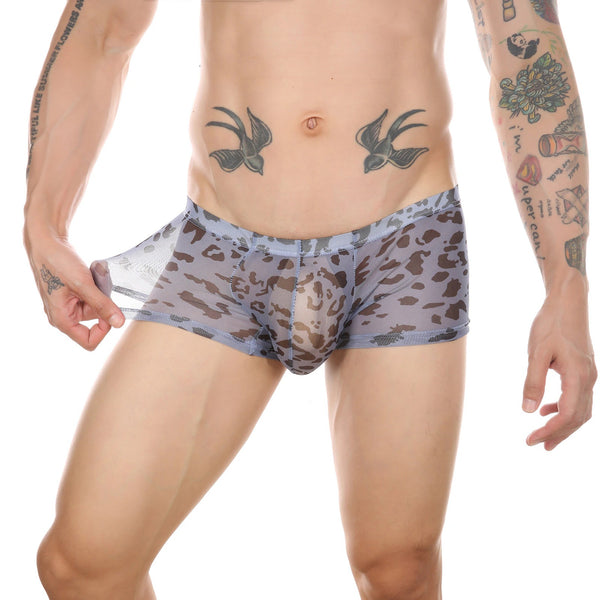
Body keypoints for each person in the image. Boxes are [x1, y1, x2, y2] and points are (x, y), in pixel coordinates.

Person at [23, 1, 596, 598]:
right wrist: (44, 221)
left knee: (398, 569)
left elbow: (522, 53)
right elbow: (105, 26)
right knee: (81, 565)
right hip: (226, 246)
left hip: (402, 243)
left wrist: (567, 285)